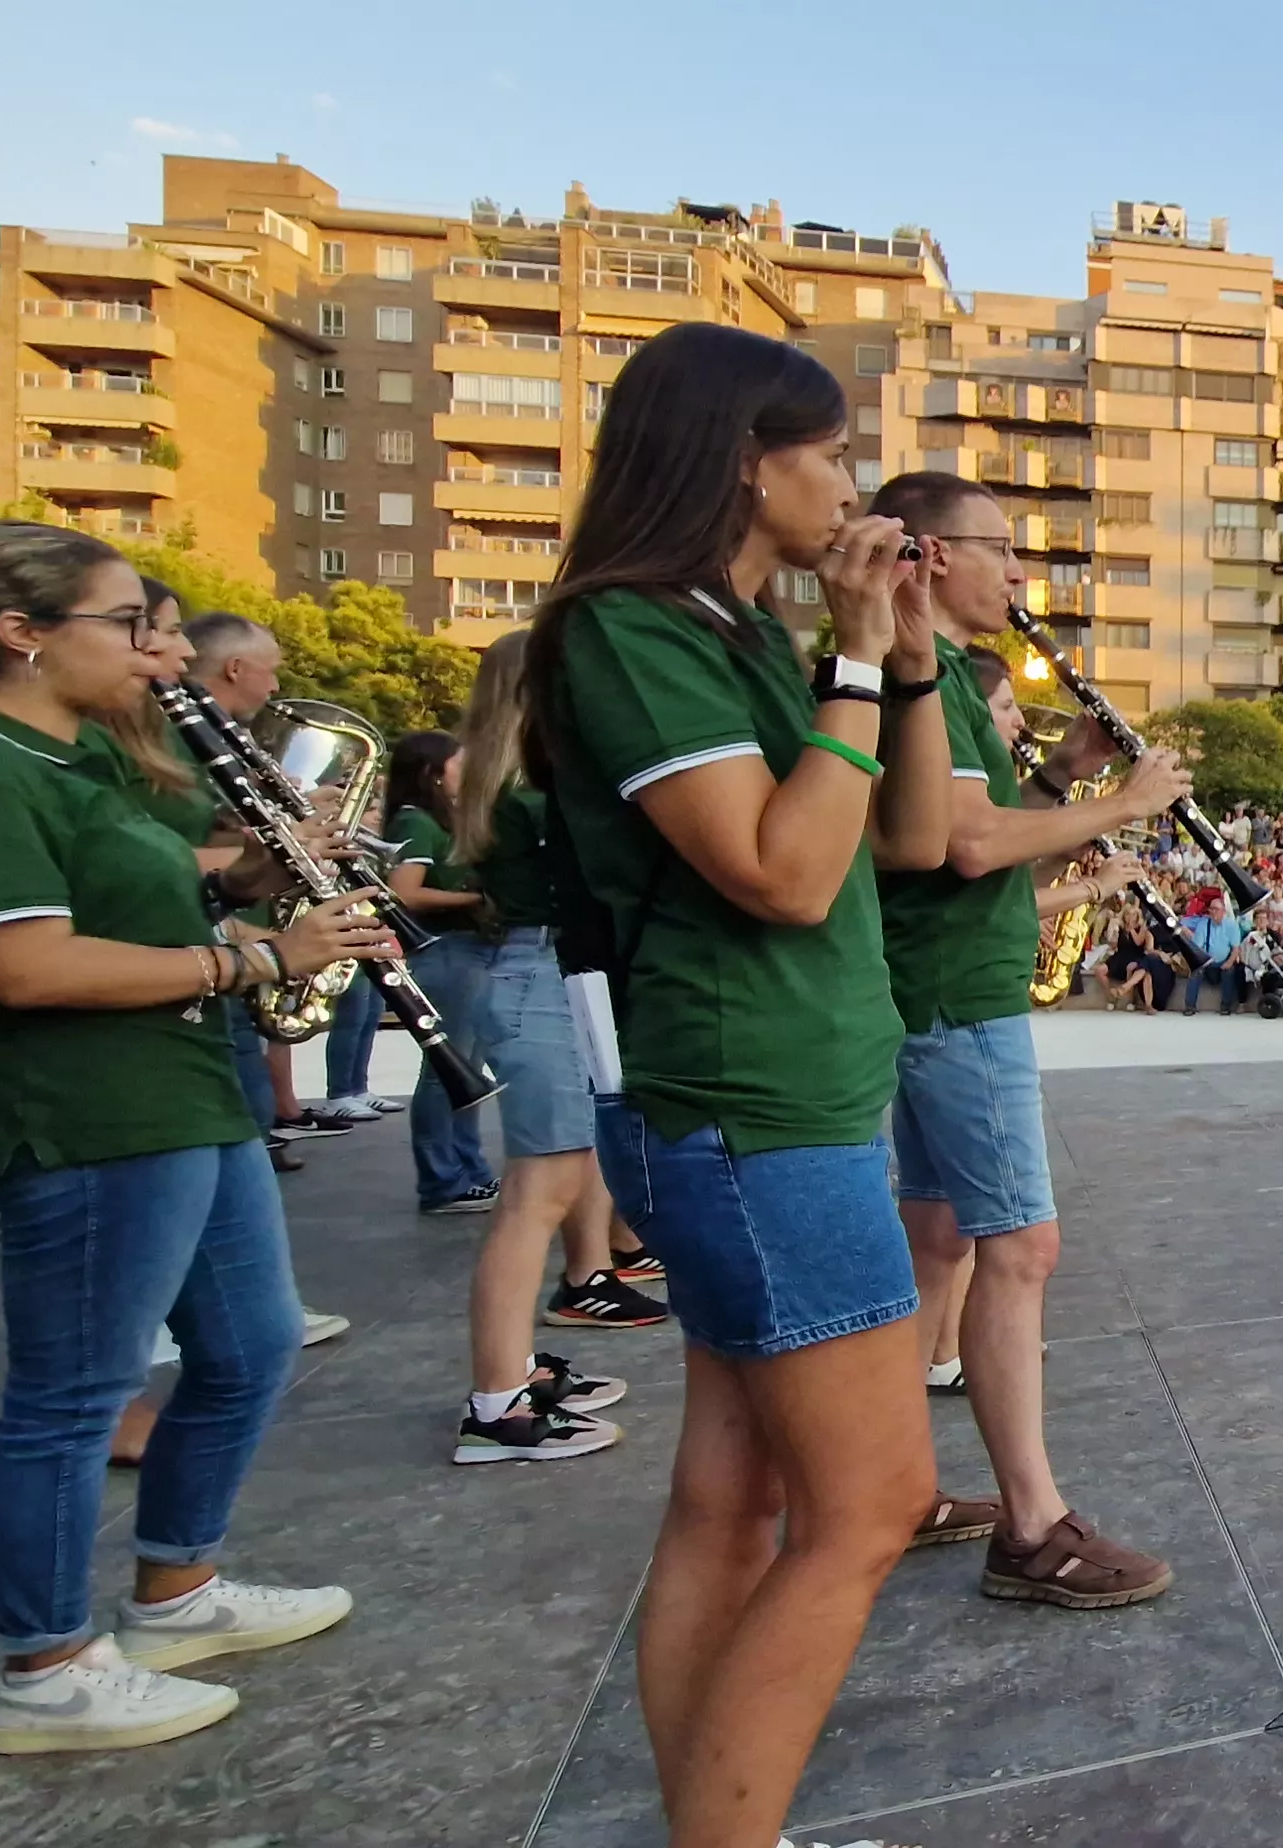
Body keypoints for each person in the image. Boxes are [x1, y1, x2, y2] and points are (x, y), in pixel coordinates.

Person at [527, 324, 956, 1841]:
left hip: (780, 1105)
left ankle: (720, 1820)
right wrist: (842, 655)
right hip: (753, 1115)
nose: (848, 483)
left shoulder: (732, 633)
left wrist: (900, 676)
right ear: (738, 458)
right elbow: (779, 875)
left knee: (734, 1503)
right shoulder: (628, 628)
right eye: (828, 451)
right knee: (873, 1508)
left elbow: (896, 844)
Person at [0, 520, 386, 1749]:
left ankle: (178, 1591)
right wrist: (256, 952)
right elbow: (28, 964)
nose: (158, 653)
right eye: (128, 626)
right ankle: (43, 1668)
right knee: (74, 1395)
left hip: (178, 1090)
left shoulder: (81, 759)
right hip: (82, 1109)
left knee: (251, 1345)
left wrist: (255, 873)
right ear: (23, 635)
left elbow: (141, 895)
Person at [866, 470, 1184, 1606]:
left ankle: (893, 1485)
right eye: (1000, 549)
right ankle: (1034, 1529)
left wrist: (1070, 777)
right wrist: (1126, 803)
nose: (1017, 573)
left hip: (939, 985)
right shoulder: (937, 679)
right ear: (933, 556)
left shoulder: (940, 681)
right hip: (956, 998)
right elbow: (964, 845)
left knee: (943, 1237)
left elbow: (985, 829)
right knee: (1018, 1250)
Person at [436, 637, 664, 1473]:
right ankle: (496, 1401)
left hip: (545, 975)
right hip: (543, 977)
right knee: (539, 1194)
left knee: (551, 1186)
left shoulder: (513, 784)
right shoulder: (539, 795)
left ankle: (513, 1372)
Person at [377, 730, 502, 1216]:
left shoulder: (438, 821)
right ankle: (443, 1178)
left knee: (464, 1071)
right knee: (445, 1071)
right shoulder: (416, 822)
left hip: (463, 949)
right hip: (447, 951)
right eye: (457, 764)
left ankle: (467, 1171)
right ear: (432, 772)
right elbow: (403, 892)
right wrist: (475, 899)